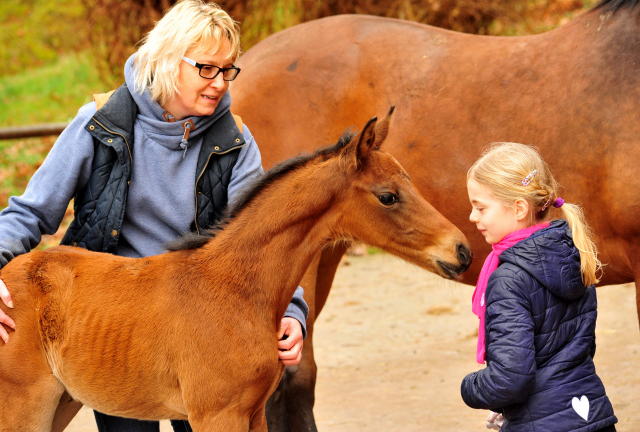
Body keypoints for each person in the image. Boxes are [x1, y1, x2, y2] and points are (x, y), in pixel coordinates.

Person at [0, 1, 308, 431]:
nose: (219, 82)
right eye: (206, 68)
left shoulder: (234, 140)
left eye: (228, 69)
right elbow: (33, 210)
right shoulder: (101, 122)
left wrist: (293, 312)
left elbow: (264, 240)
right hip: (118, 320)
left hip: (198, 321)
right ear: (167, 59)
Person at [460, 142, 617, 432]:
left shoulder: (508, 279)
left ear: (519, 208)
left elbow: (510, 379)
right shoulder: (573, 254)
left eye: (480, 207)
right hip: (592, 415)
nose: (473, 217)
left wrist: (468, 387)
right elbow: (575, 350)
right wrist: (508, 409)